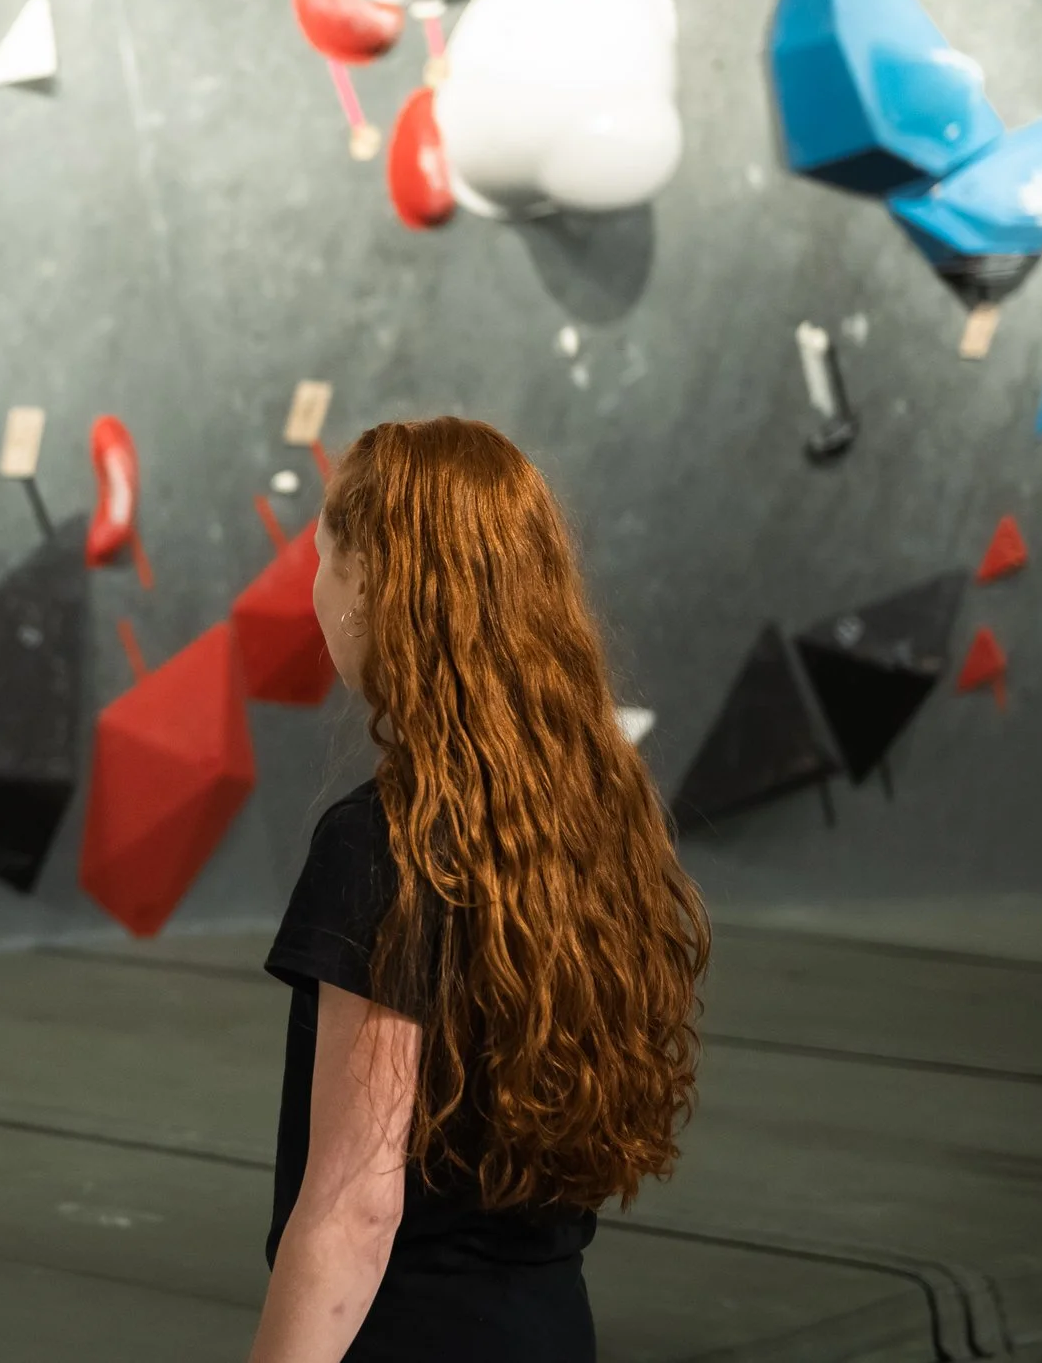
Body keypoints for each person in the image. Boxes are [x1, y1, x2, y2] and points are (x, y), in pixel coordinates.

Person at [252, 418, 709, 1363]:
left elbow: (355, 1208)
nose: (315, 585)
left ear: (373, 584)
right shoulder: (591, 811)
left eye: (325, 556)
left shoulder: (382, 840)